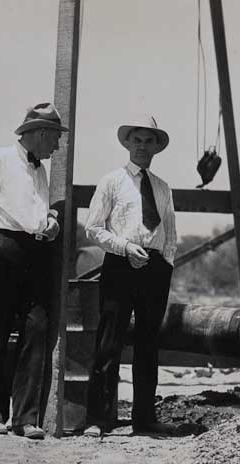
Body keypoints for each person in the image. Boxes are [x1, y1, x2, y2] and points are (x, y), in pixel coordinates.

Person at [0, 102, 66, 440]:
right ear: (39, 133)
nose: (58, 146)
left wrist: (51, 223)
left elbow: (39, 211)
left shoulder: (41, 171)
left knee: (37, 330)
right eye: (55, 138)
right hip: (3, 248)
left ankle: (26, 418)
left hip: (38, 253)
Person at [83, 116, 177, 437]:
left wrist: (165, 263)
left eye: (149, 141)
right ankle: (98, 419)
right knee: (109, 343)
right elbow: (93, 228)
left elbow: (170, 233)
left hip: (154, 269)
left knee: (148, 345)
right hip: (121, 265)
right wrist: (124, 248)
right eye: (137, 140)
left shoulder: (163, 188)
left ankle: (144, 419)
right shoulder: (112, 181)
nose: (142, 147)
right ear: (127, 143)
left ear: (156, 147)